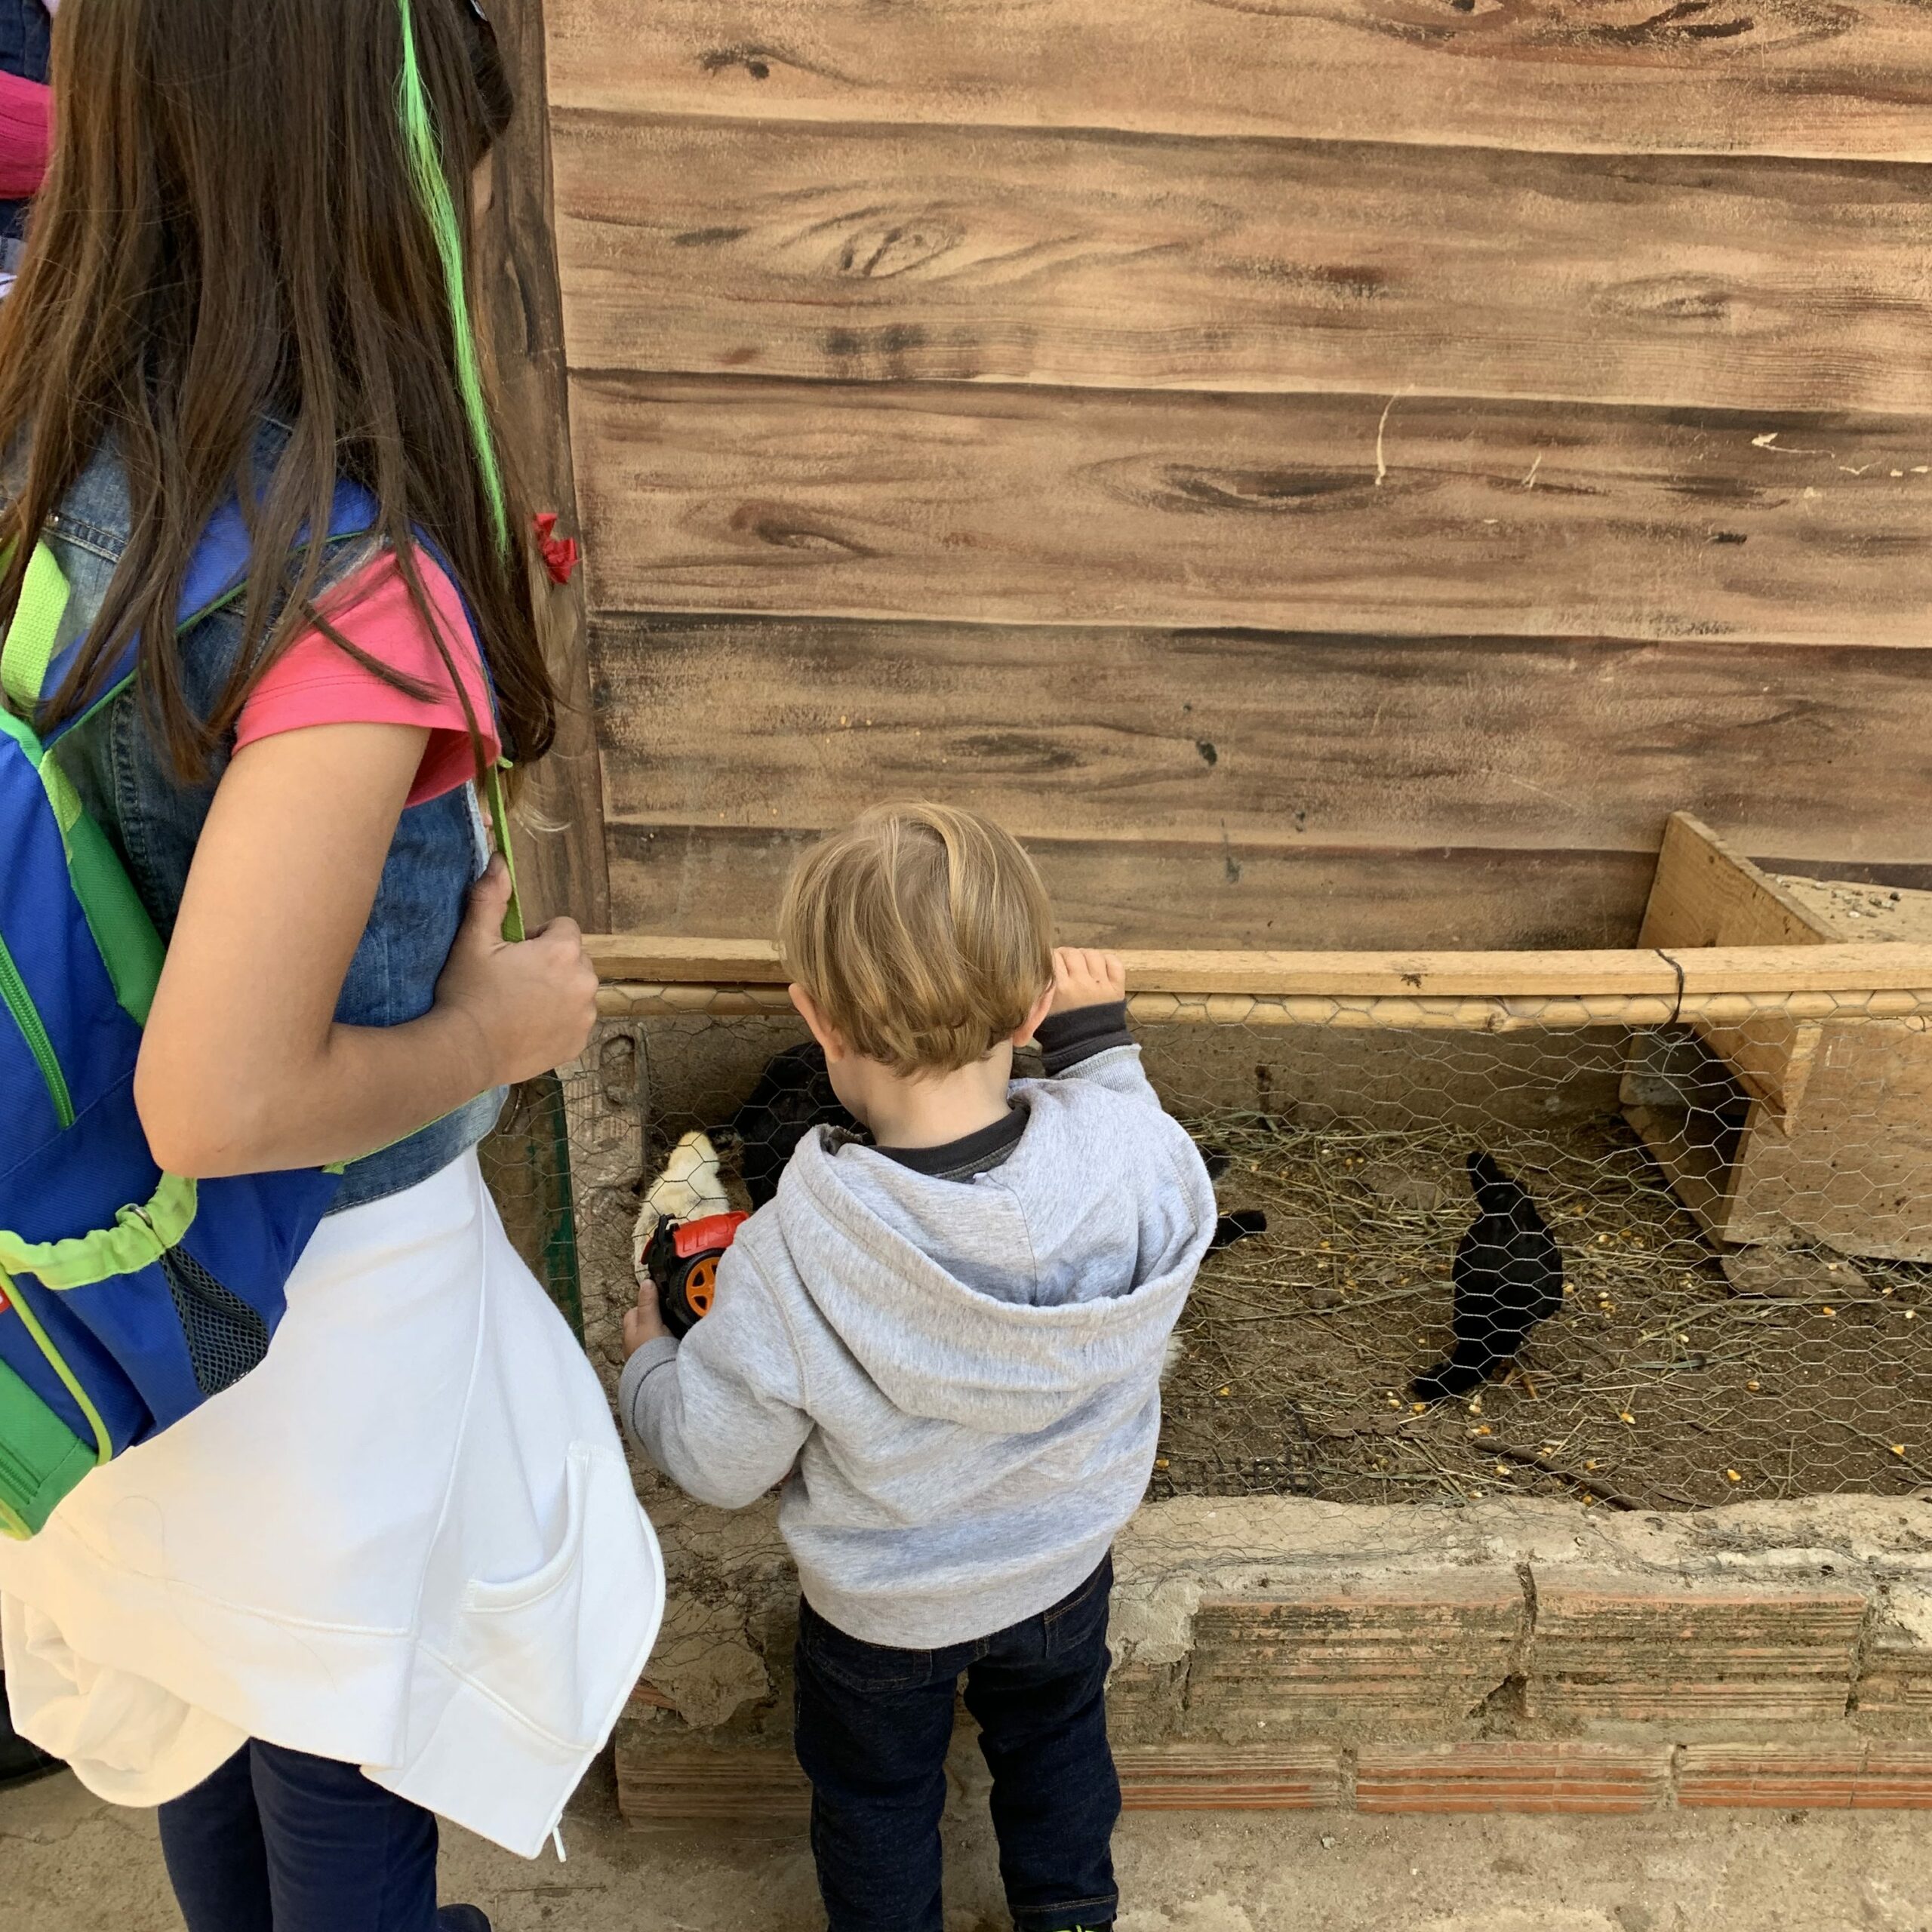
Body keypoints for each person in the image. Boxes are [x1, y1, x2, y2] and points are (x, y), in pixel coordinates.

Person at [0, 3, 661, 1928]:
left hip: (88, 1284)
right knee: (338, 1707)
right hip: (296, 1301)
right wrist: (499, 1024)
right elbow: (219, 1093)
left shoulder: (42, 453)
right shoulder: (344, 597)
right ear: (368, 192)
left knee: (210, 1689)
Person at [620, 803, 1218, 1932]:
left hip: (880, 1615)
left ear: (814, 1018)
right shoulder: (1136, 1159)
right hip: (1059, 1568)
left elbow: (719, 1460)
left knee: (875, 1798)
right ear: (1036, 1005)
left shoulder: (796, 1245)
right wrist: (1102, 1046)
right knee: (1055, 1748)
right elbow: (1129, 1135)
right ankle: (1074, 1914)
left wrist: (649, 1367)